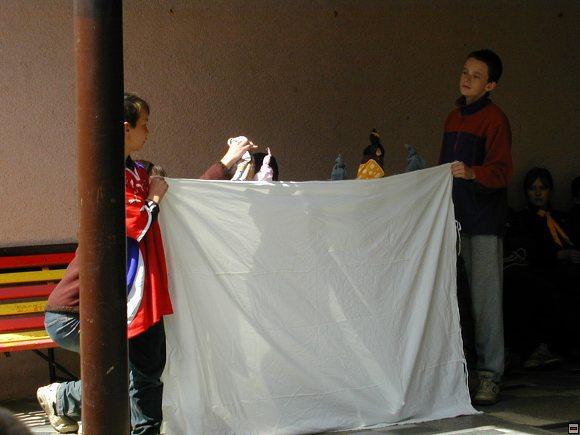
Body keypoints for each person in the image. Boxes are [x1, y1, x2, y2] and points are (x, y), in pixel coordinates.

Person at [36, 93, 256, 434]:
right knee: (136, 375)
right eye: (145, 124)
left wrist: (227, 162)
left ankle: (64, 400)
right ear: (126, 128)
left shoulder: (139, 172)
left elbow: (183, 198)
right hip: (77, 312)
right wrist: (153, 196)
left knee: (145, 373)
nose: (149, 132)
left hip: (136, 300)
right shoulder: (106, 176)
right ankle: (63, 399)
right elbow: (139, 222)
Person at [439, 49, 513, 405]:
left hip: (482, 221)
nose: (467, 78)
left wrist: (472, 172)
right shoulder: (453, 117)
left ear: (491, 85)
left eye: (476, 75)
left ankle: (490, 374)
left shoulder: (495, 120)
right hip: (452, 219)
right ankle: (458, 371)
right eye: (465, 71)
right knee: (453, 299)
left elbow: (502, 172)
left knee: (486, 301)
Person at [504, 168, 580, 368]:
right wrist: (558, 255)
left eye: (543, 188)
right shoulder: (523, 220)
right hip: (543, 270)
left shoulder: (562, 217)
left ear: (550, 191)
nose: (538, 193)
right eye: (532, 188)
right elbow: (528, 251)